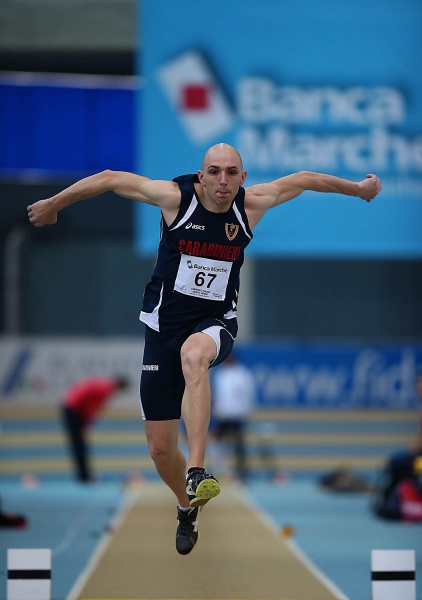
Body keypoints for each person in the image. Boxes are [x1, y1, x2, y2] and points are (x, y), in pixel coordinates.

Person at [27, 142, 382, 554]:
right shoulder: (175, 199)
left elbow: (305, 179)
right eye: (214, 172)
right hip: (163, 329)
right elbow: (110, 178)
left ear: (243, 178)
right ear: (202, 176)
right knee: (160, 450)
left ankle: (197, 469)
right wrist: (54, 203)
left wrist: (357, 189)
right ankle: (187, 504)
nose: (223, 181)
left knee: (194, 355)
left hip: (215, 322)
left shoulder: (251, 205)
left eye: (231, 172)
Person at [61, 376, 129, 483]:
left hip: (72, 406)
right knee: (79, 445)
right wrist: (86, 424)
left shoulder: (104, 386)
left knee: (79, 445)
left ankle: (83, 475)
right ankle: (84, 476)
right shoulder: (106, 390)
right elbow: (92, 407)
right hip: (73, 409)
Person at [210, 352, 255, 482]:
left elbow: (247, 394)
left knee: (238, 443)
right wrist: (216, 411)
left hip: (237, 414)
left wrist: (244, 410)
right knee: (217, 441)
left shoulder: (243, 374)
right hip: (222, 414)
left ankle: (241, 470)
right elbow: (217, 394)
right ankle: (218, 468)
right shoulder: (221, 374)